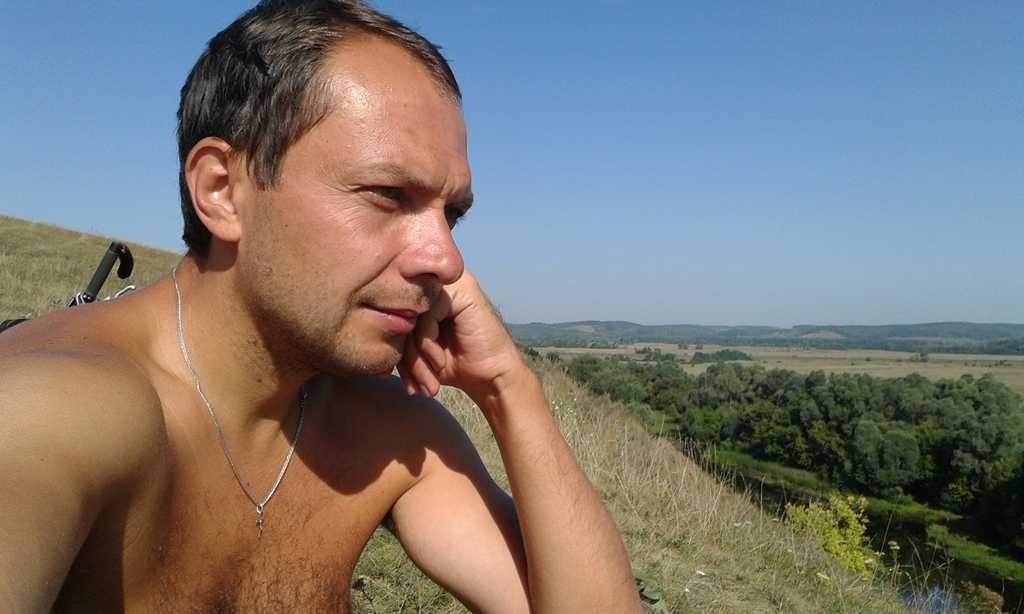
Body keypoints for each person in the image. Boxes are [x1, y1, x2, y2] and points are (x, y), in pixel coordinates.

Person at [0, 0, 642, 611]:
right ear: (222, 191)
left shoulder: (383, 430)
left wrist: (509, 389)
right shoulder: (54, 414)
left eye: (451, 213)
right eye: (388, 193)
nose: (447, 261)